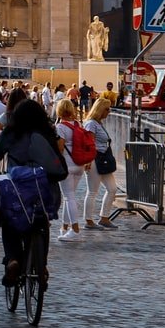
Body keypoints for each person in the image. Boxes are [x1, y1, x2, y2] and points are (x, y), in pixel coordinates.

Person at [0, 98, 66, 288]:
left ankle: (13, 259)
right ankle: (42, 266)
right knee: (42, 223)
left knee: (9, 222)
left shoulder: (11, 133)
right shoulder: (47, 132)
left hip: (18, 191)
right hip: (45, 190)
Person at [54, 99, 91, 239]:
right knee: (69, 196)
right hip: (79, 165)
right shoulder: (78, 124)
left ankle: (75, 230)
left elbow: (60, 147)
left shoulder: (61, 127)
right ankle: (64, 227)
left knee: (69, 197)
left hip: (67, 166)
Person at [84, 95, 118, 229]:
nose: (109, 112)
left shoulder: (98, 124)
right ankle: (88, 220)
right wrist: (87, 160)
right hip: (93, 160)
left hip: (103, 159)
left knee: (112, 189)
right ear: (100, 109)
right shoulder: (91, 124)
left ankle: (104, 217)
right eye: (107, 109)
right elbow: (88, 143)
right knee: (92, 191)